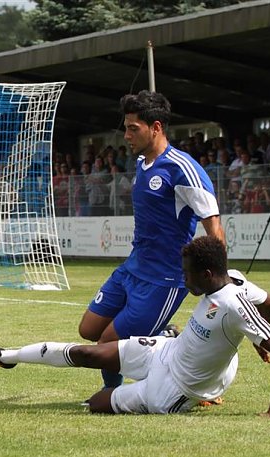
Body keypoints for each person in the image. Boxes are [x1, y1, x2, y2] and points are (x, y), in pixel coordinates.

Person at [0, 236, 270, 418]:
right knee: (88, 353)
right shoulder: (232, 277)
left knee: (96, 403)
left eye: (187, 273)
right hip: (168, 353)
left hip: (174, 389)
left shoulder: (233, 303)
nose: (183, 278)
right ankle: (7, 355)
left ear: (206, 276)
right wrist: (255, 337)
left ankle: (204, 395)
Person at [79, 91, 225, 396]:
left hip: (164, 279)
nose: (126, 136)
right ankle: (162, 334)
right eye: (126, 128)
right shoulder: (143, 165)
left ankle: (110, 394)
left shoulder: (182, 169)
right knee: (88, 330)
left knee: (106, 343)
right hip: (132, 268)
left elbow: (214, 228)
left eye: (134, 129)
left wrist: (217, 284)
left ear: (155, 127)